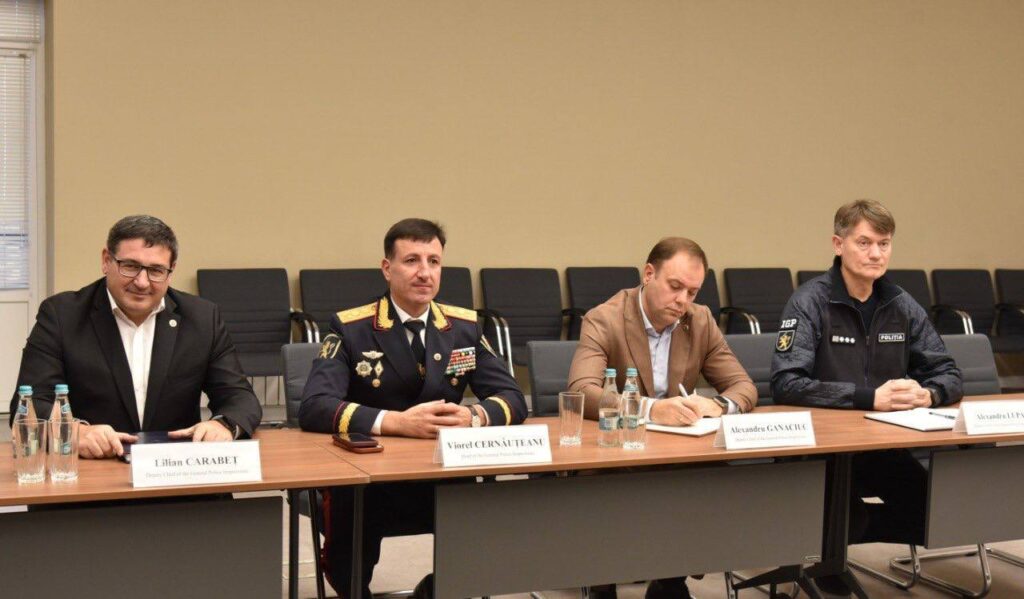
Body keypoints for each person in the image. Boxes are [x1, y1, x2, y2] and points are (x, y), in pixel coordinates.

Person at [300, 218, 527, 599]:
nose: (425, 272)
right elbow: (314, 406)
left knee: (481, 527)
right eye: (412, 261)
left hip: (441, 471)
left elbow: (513, 398)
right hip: (370, 480)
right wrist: (395, 422)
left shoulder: (463, 327)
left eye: (433, 261)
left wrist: (473, 416)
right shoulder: (351, 328)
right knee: (346, 562)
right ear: (387, 268)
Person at [770, 199, 963, 596]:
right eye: (864, 243)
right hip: (822, 451)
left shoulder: (900, 303)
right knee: (848, 518)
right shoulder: (810, 301)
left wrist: (928, 393)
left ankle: (833, 544)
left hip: (882, 446)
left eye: (884, 243)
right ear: (838, 244)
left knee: (936, 513)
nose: (876, 253)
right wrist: (867, 397)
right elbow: (787, 383)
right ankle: (828, 548)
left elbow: (948, 372)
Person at [567, 236, 757, 599]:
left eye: (692, 292)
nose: (683, 300)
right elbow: (582, 390)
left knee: (717, 478)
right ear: (649, 274)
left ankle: (670, 580)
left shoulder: (699, 320)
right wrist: (652, 409)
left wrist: (716, 404)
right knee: (605, 487)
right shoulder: (604, 318)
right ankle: (602, 583)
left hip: (675, 453)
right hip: (617, 452)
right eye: (675, 286)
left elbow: (743, 386)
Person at [10, 215, 262, 458]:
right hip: (92, 470)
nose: (142, 282)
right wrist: (76, 432)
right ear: (106, 260)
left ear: (171, 271)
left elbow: (239, 397)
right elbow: (30, 404)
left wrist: (223, 425)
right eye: (130, 266)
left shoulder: (202, 318)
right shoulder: (62, 315)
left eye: (156, 270)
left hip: (176, 469)